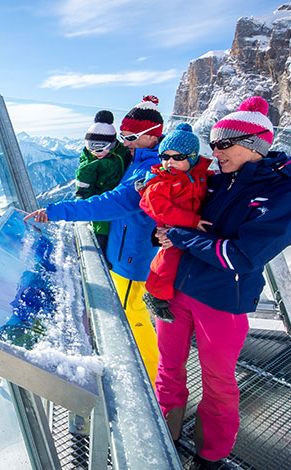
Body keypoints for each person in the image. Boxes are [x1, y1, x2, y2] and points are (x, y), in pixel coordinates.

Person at [152, 97, 291, 469]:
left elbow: (240, 256)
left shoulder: (285, 197)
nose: (215, 151)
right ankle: (165, 434)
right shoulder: (218, 182)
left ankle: (211, 455)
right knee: (167, 367)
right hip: (179, 291)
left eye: (223, 144)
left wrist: (181, 236)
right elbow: (178, 215)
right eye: (213, 144)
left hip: (222, 301)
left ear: (254, 144)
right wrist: (167, 233)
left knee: (219, 381)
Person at [22, 95, 166, 383]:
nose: (124, 142)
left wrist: (54, 211)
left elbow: (107, 203)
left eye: (130, 136)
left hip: (132, 260)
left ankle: (152, 382)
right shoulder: (136, 159)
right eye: (122, 135)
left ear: (152, 136)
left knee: (133, 316)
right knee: (130, 314)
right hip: (125, 252)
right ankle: (149, 374)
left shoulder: (147, 171)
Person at [137, 123, 214, 323]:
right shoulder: (161, 183)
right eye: (165, 157)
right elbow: (161, 209)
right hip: (174, 227)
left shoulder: (199, 176)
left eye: (178, 157)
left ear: (192, 157)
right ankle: (155, 295)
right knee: (169, 261)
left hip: (189, 229)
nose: (170, 162)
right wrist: (193, 221)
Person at [74, 110, 130, 256]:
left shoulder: (122, 152)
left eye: (100, 149)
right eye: (91, 147)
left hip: (120, 200)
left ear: (112, 145)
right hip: (100, 200)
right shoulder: (88, 164)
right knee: (102, 230)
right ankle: (101, 255)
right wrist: (83, 203)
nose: (95, 153)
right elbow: (83, 186)